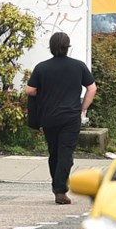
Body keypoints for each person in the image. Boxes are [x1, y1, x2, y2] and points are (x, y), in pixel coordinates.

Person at [26, 32, 96, 204]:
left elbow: (30, 90)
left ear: (51, 47)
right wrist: (83, 108)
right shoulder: (78, 66)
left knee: (54, 152)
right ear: (67, 47)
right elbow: (92, 88)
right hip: (71, 117)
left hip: (48, 117)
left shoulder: (42, 67)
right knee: (66, 152)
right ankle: (60, 190)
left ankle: (57, 186)